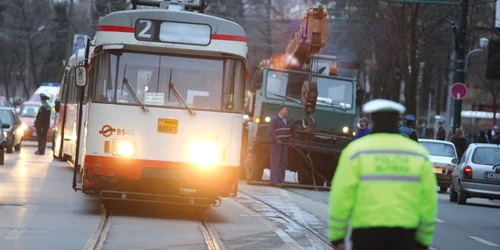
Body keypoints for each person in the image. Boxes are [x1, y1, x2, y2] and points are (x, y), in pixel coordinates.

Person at [328, 99, 438, 250]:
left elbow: (341, 196)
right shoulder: (419, 155)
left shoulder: (355, 152)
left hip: (365, 235)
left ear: (372, 121)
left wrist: (337, 236)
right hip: (405, 237)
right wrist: (423, 240)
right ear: (398, 122)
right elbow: (429, 201)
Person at [268, 104, 291, 185]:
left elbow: (289, 131)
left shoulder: (287, 120)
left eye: (287, 111)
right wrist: (277, 140)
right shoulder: (274, 120)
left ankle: (281, 180)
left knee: (283, 162)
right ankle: (273, 180)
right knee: (275, 161)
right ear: (280, 110)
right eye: (285, 110)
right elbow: (271, 131)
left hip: (284, 144)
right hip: (276, 145)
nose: (286, 112)